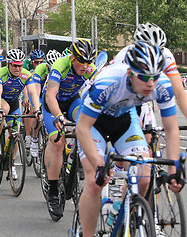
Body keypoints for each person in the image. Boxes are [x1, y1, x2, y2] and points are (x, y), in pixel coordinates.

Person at [75, 41, 184, 236]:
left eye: (154, 77)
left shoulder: (162, 85)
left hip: (124, 119)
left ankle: (121, 213)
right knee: (94, 181)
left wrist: (173, 171)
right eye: (143, 77)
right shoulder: (108, 83)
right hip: (94, 123)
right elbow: (82, 128)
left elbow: (171, 128)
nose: (150, 83)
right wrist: (99, 163)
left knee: (143, 176)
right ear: (130, 74)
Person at [42, 39, 97, 219]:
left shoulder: (89, 69)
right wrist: (58, 116)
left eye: (89, 61)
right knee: (57, 143)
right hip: (53, 104)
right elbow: (51, 95)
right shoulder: (60, 64)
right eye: (82, 60)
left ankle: (76, 159)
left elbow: (98, 92)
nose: (86, 65)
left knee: (85, 125)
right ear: (73, 57)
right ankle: (52, 193)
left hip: (73, 101)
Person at [113, 23, 187, 141]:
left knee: (151, 137)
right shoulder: (124, 57)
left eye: (158, 50)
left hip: (147, 97)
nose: (154, 56)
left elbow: (179, 93)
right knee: (135, 135)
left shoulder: (166, 55)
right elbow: (120, 95)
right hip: (125, 99)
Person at [0, 49, 40, 180]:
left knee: (15, 130)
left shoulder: (26, 75)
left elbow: (33, 93)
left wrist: (37, 110)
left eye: (20, 65)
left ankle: (11, 164)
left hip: (14, 103)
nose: (18, 68)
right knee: (4, 109)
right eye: (15, 65)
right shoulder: (1, 74)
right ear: (8, 64)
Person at [27, 49, 61, 157]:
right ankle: (34, 138)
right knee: (36, 112)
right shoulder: (40, 69)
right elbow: (35, 92)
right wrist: (38, 107)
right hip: (39, 93)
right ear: (47, 66)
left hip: (52, 94)